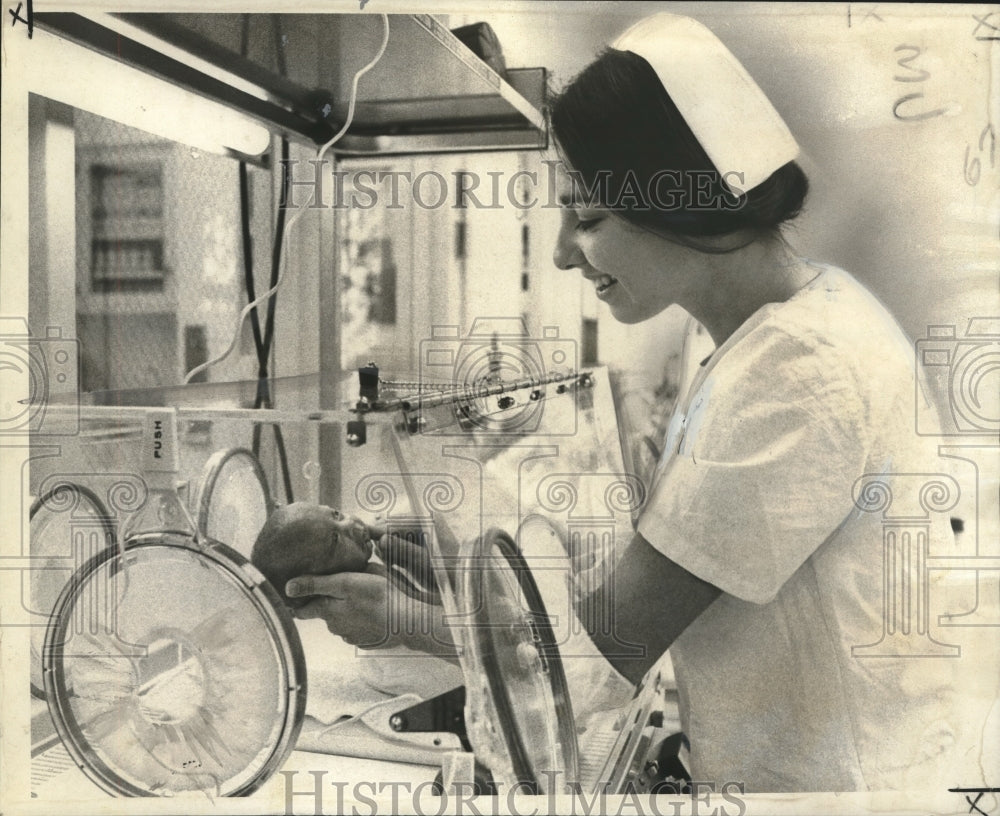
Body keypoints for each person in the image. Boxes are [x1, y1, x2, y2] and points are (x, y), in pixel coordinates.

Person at [287, 13, 995, 793]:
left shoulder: (800, 369)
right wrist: (462, 569)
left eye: (586, 218)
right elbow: (673, 571)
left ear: (682, 203)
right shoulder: (768, 332)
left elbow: (600, 656)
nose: (562, 253)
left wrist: (402, 619)